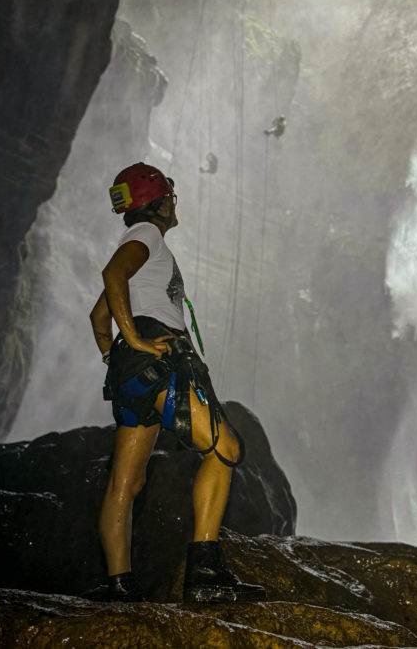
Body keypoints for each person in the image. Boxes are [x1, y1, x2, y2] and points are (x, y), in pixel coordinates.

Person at [89, 162, 265, 603]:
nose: (174, 203)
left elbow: (98, 315)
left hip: (133, 372)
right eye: (170, 196)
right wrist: (137, 340)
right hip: (156, 359)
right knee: (224, 448)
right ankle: (204, 575)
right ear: (158, 202)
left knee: (126, 483)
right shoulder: (146, 235)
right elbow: (112, 275)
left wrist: (116, 355)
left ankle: (119, 585)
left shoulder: (142, 247)